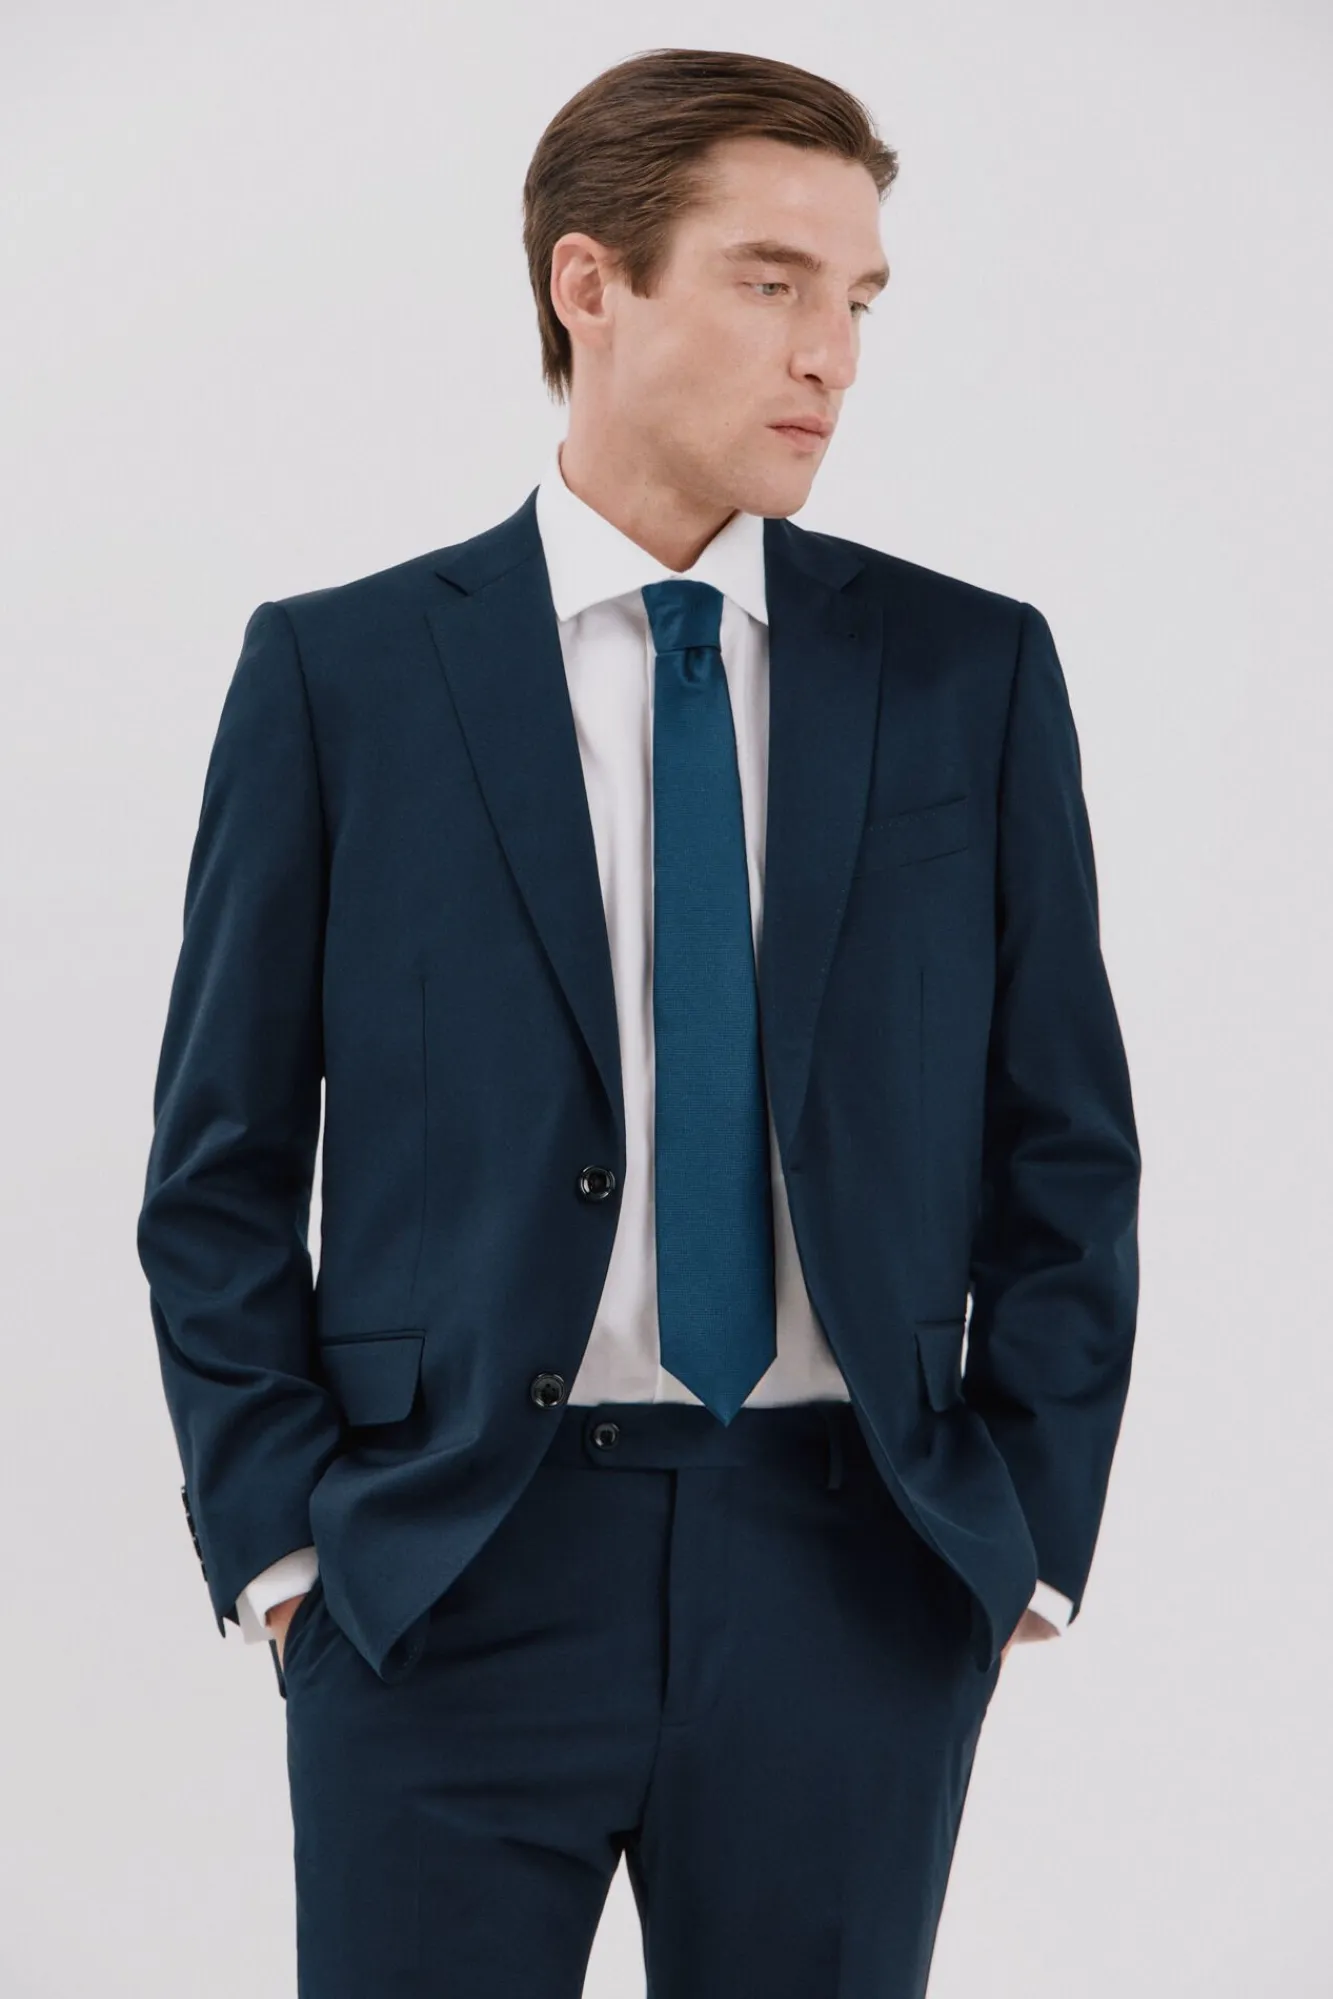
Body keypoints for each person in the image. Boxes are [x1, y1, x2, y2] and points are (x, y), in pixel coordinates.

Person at [136, 45, 1140, 1999]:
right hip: (443, 1572)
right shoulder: (342, 679)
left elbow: (1066, 1143)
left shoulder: (967, 674)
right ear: (589, 285)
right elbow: (220, 1164)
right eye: (773, 282)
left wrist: (1016, 1531)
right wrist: (287, 1558)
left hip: (853, 1571)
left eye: (858, 299)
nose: (831, 354)